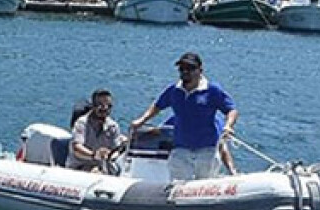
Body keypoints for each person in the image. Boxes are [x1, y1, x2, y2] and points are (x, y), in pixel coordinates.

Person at [129, 52, 238, 181]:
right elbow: (157, 106)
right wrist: (141, 120)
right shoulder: (174, 90)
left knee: (204, 183)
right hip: (181, 147)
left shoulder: (212, 90)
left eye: (190, 69)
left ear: (200, 70)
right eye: (182, 69)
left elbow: (231, 110)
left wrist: (228, 126)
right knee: (177, 183)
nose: (185, 72)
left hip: (207, 148)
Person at [67, 89, 124, 172]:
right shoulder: (82, 123)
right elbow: (77, 148)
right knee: (96, 171)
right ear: (93, 106)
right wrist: (94, 155)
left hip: (102, 166)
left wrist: (110, 155)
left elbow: (116, 149)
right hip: (79, 167)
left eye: (109, 106)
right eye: (100, 105)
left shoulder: (113, 126)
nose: (105, 108)